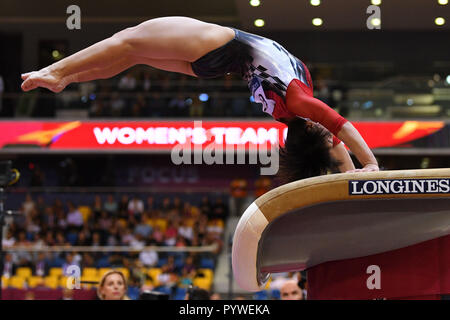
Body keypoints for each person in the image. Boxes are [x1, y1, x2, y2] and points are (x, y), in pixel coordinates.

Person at [20, 16, 378, 181]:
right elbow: (333, 143)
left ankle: (56, 71)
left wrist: (371, 164)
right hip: (213, 64)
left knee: (128, 39)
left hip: (219, 43)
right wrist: (352, 173)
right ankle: (64, 79)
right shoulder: (291, 116)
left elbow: (341, 127)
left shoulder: (299, 101)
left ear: (314, 129)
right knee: (132, 54)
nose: (330, 136)